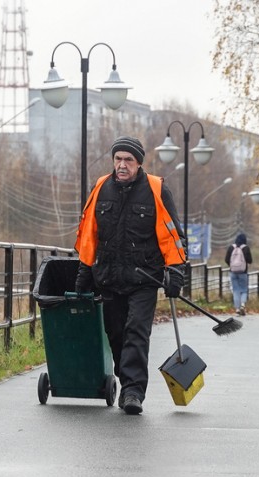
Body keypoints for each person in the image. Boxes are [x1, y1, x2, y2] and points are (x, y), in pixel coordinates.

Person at [74, 136, 186, 415]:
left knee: (137, 331)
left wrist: (175, 271)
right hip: (108, 276)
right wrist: (84, 273)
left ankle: (134, 391)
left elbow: (172, 236)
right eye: (118, 159)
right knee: (116, 334)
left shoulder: (157, 189)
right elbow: (89, 235)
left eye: (128, 160)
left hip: (144, 279)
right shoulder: (101, 187)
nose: (122, 165)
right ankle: (127, 385)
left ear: (138, 164)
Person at [225, 233, 253, 316]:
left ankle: (237, 309)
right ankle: (242, 305)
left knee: (236, 290)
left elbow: (226, 259)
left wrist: (232, 265)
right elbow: (250, 260)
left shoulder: (231, 247)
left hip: (233, 272)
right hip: (243, 272)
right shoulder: (246, 248)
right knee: (244, 290)